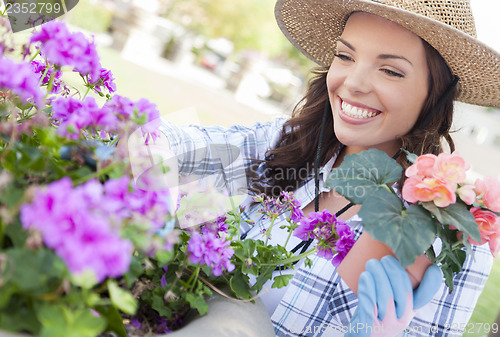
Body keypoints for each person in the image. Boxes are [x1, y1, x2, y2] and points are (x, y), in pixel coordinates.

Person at [147, 0, 500, 335]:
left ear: (436, 94)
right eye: (345, 56)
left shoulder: (450, 238)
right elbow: (153, 139)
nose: (353, 83)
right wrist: (176, 207)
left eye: (391, 70)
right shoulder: (282, 146)